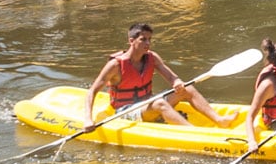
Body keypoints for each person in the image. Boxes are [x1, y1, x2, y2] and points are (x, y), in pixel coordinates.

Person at [84, 23, 232, 127]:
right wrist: (88, 120)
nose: (147, 43)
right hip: (125, 110)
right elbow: (92, 92)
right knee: (159, 103)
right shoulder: (115, 65)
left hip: (147, 103)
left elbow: (172, 77)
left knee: (188, 88)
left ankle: (219, 120)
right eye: (143, 39)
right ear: (131, 41)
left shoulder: (152, 57)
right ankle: (192, 133)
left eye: (149, 39)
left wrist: (177, 83)